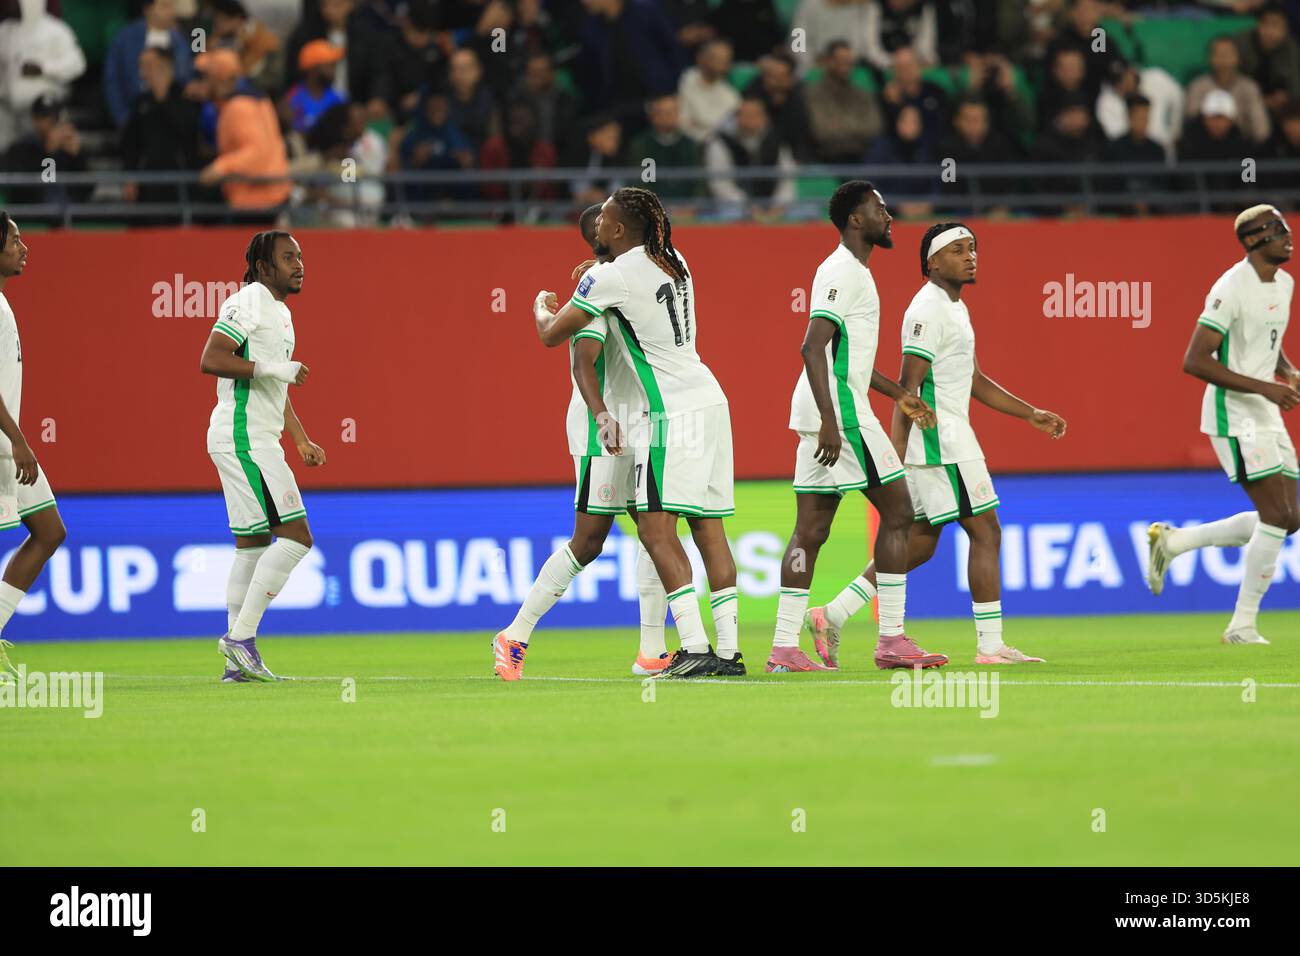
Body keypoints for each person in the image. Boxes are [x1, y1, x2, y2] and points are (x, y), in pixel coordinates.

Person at [807, 222, 1065, 667]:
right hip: (941, 446)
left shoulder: (954, 307)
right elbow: (909, 387)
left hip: (946, 442)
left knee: (922, 543)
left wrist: (1028, 412)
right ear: (933, 261)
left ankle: (832, 613)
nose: (971, 256)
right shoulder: (926, 309)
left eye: (974, 249)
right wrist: (897, 453)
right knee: (986, 531)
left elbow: (974, 380)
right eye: (959, 250)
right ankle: (990, 647)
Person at [530, 187, 743, 680]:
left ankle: (692, 646)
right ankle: (729, 652)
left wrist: (542, 307)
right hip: (711, 399)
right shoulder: (674, 258)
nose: (595, 228)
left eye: (602, 220)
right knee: (710, 531)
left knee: (654, 531)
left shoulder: (611, 275)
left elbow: (550, 334)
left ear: (619, 230)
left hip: (669, 413)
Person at [768, 180, 943, 673]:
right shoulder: (844, 272)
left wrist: (899, 395)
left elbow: (849, 360)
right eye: (879, 208)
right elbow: (811, 346)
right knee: (901, 514)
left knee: (810, 530)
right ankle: (890, 640)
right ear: (855, 219)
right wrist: (830, 418)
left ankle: (783, 648)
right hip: (839, 414)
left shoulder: (851, 272)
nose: (889, 216)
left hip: (826, 410)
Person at [494, 205, 673, 679]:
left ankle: (651, 651)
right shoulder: (597, 287)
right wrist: (602, 418)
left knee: (655, 533)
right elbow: (582, 360)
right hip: (605, 429)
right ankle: (514, 634)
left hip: (640, 424)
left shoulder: (634, 279)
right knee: (589, 540)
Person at [1148, 206, 1297, 645]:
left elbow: (1266, 339)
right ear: (1253, 241)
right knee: (1277, 515)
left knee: (1289, 520)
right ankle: (1242, 625)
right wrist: (1265, 388)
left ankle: (1173, 543)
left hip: (1264, 409)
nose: (1288, 236)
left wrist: (1284, 370)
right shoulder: (1231, 287)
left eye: (1286, 228)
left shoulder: (1283, 283)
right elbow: (1194, 360)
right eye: (1277, 231)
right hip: (1235, 413)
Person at [199, 231, 325, 682]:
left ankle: (237, 666)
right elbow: (211, 358)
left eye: (300, 256)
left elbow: (275, 387)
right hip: (244, 438)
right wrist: (274, 368)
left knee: (252, 544)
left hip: (256, 438)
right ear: (263, 267)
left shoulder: (281, 313)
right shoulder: (248, 300)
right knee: (297, 536)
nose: (298, 264)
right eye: (287, 257)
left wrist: (301, 438)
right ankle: (241, 639)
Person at [0, 213, 67, 682]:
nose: (24, 248)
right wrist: (20, 441)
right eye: (15, 240)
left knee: (49, 531)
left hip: (11, 445)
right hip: (7, 445)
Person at [196, 49, 292, 214]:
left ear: (219, 79)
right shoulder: (257, 99)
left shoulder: (238, 107)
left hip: (256, 200)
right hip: (271, 195)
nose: (201, 83)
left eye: (205, 77)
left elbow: (257, 152)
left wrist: (219, 168)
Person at [120, 45, 202, 212]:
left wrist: (164, 98)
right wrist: (130, 178)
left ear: (166, 65)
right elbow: (130, 144)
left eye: (148, 66)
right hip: (147, 181)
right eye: (141, 66)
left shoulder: (187, 95)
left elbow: (187, 131)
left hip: (181, 182)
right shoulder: (142, 101)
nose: (143, 73)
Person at [0, 0, 85, 151]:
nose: (11, 4)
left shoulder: (55, 30)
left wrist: (44, 69)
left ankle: (50, 173)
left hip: (45, 113)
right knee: (9, 159)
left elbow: (77, 64)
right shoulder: (5, 31)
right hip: (8, 112)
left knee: (48, 158)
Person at [103, 0, 192, 128]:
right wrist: (121, 117)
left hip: (171, 119)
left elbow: (186, 80)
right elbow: (112, 79)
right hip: (134, 115)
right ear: (147, 9)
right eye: (165, 6)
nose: (171, 12)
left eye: (172, 6)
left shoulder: (181, 41)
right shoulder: (125, 38)